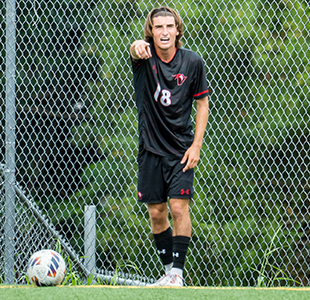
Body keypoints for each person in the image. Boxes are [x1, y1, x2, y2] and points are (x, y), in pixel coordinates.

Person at [129, 6, 209, 287]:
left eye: (169, 27)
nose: (164, 32)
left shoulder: (193, 62)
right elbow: (135, 48)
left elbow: (202, 104)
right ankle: (168, 272)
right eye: (158, 27)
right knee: (156, 213)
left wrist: (196, 146)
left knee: (178, 207)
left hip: (181, 149)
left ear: (177, 31)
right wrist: (137, 45)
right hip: (150, 149)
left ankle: (178, 274)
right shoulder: (143, 58)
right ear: (151, 32)